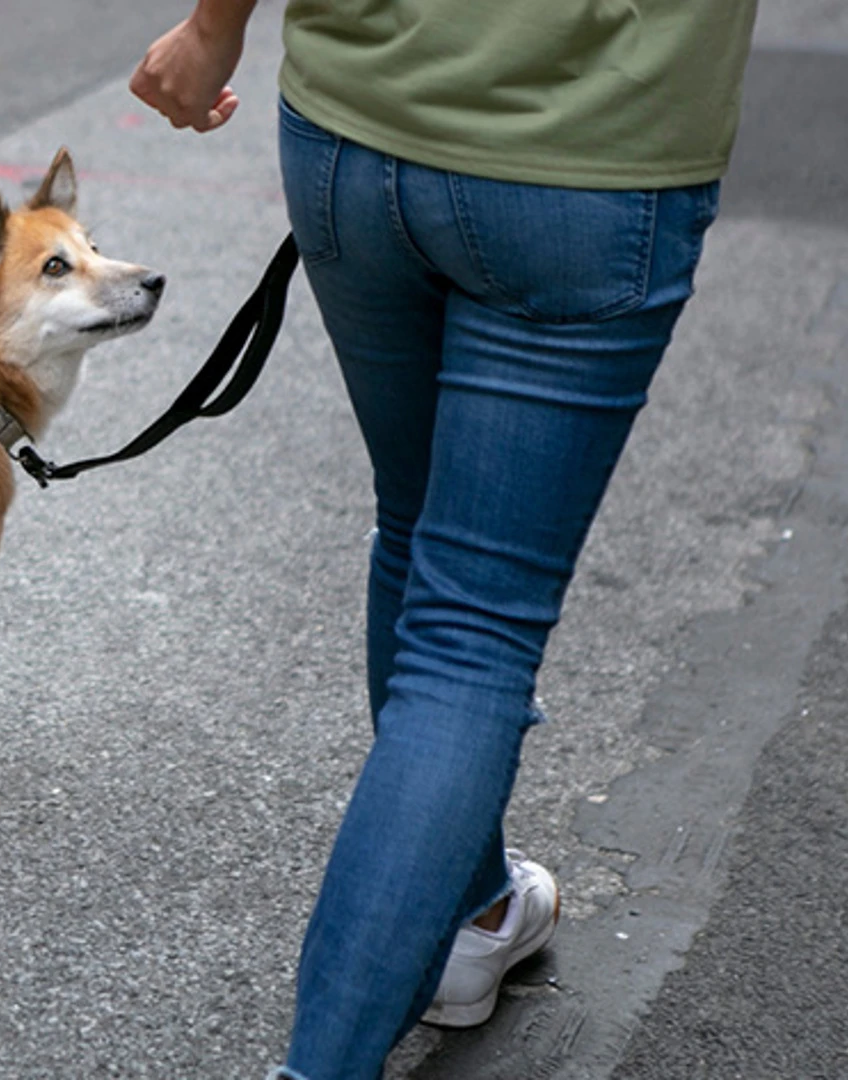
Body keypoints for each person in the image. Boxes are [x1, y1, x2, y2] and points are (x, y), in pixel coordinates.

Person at [130, 1, 758, 1076]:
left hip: (356, 131)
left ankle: (473, 919)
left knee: (418, 531)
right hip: (587, 155)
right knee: (472, 631)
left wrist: (213, 25)